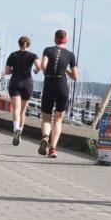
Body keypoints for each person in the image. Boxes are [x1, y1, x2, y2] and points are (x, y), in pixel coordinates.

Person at [39, 30, 78, 158]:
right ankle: (53, 149)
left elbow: (43, 65)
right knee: (58, 119)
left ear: (55, 39)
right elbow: (75, 76)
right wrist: (65, 69)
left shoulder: (48, 50)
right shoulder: (70, 55)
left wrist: (48, 73)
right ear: (65, 39)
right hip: (62, 86)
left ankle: (45, 137)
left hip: (49, 84)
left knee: (46, 117)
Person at [4, 36, 40, 146]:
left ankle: (15, 129)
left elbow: (6, 71)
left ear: (19, 44)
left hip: (15, 82)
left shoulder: (12, 55)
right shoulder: (33, 56)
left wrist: (14, 70)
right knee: (23, 111)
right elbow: (39, 67)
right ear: (28, 45)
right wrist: (35, 71)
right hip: (27, 83)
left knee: (16, 109)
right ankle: (20, 131)